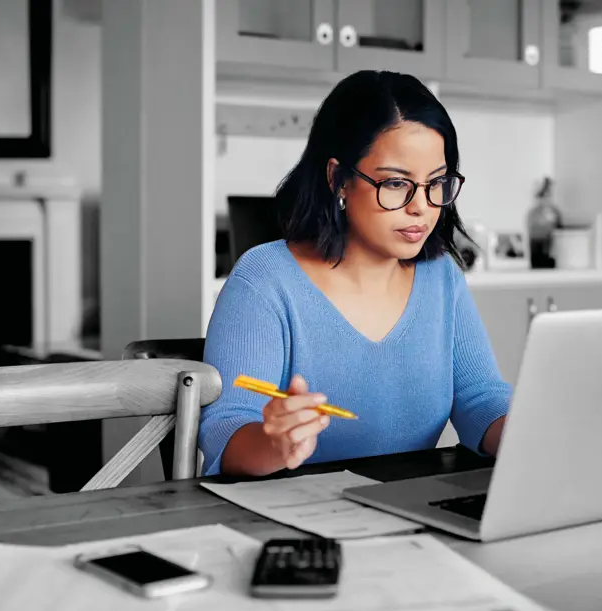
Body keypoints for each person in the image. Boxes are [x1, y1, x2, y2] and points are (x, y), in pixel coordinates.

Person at [199, 70, 512, 477]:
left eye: (437, 183)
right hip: (292, 513)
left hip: (404, 507)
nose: (421, 206)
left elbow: (479, 400)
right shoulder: (265, 281)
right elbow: (225, 433)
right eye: (396, 183)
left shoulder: (441, 278)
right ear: (339, 179)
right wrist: (273, 444)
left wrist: (533, 431)